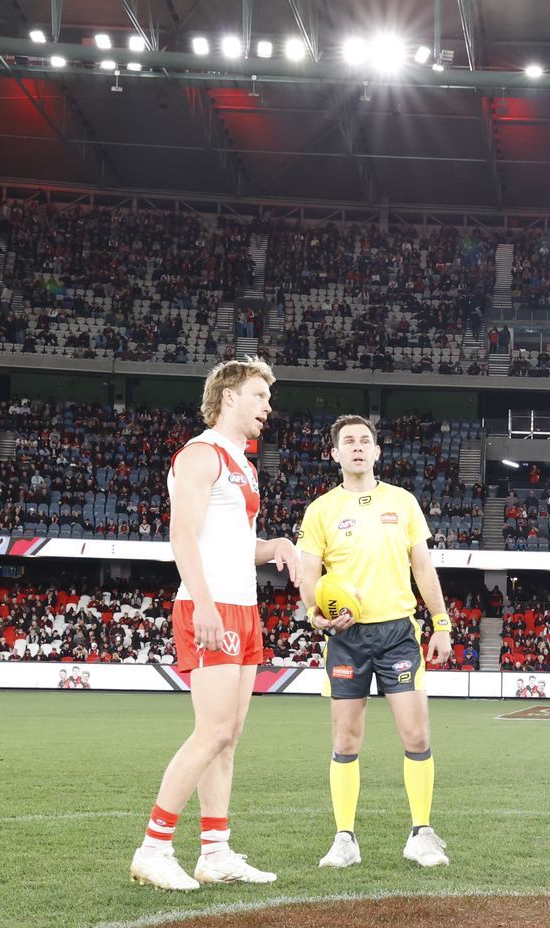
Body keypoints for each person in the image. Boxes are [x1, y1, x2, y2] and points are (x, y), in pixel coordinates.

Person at [129, 357, 295, 892]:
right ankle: (153, 848)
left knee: (229, 738)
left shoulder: (240, 463)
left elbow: (239, 546)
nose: (268, 407)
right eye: (258, 396)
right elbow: (183, 535)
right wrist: (202, 605)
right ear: (228, 398)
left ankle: (215, 852)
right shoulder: (200, 455)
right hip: (212, 605)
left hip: (242, 607)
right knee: (213, 731)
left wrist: (278, 547)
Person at [297, 414, 455, 871]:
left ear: (377, 451)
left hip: (397, 633)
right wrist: (319, 617)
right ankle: (345, 838)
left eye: (365, 440)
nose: (358, 447)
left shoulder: (402, 502)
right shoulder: (320, 510)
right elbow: (309, 579)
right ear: (335, 454)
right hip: (347, 638)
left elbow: (423, 569)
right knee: (345, 741)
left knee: (417, 734)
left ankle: (421, 834)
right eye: (348, 441)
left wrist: (441, 623)